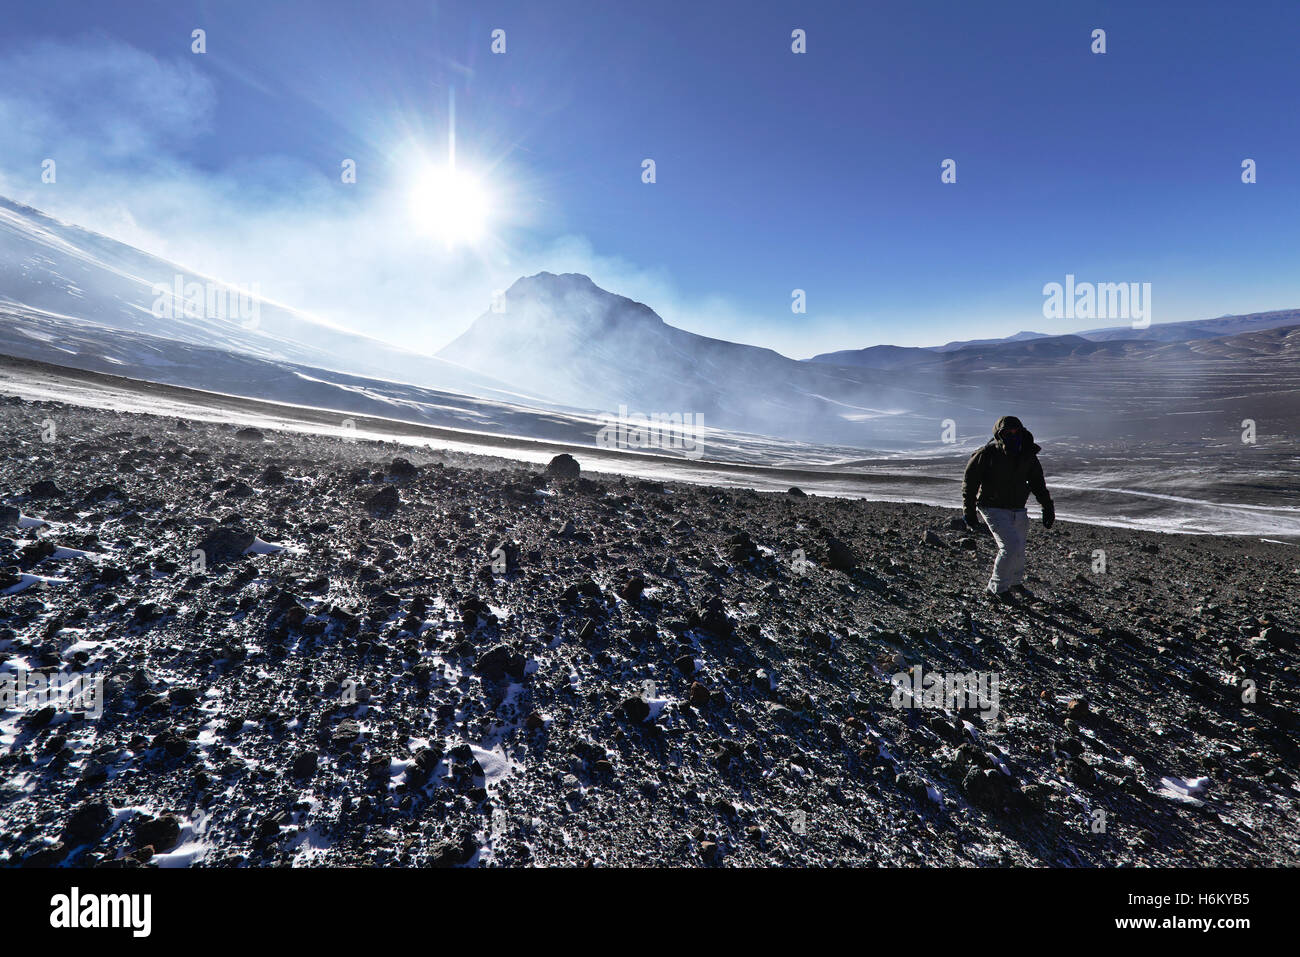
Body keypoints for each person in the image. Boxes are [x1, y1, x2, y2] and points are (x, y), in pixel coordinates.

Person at [962, 415, 1055, 601]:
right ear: (999, 434)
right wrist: (969, 511)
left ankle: (1014, 583)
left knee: (1019, 548)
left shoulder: (1027, 454)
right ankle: (997, 588)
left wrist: (1047, 506)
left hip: (1018, 508)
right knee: (1010, 546)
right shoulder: (986, 455)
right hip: (992, 507)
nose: (1012, 435)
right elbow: (970, 483)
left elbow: (1037, 482)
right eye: (1007, 432)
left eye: (1016, 432)